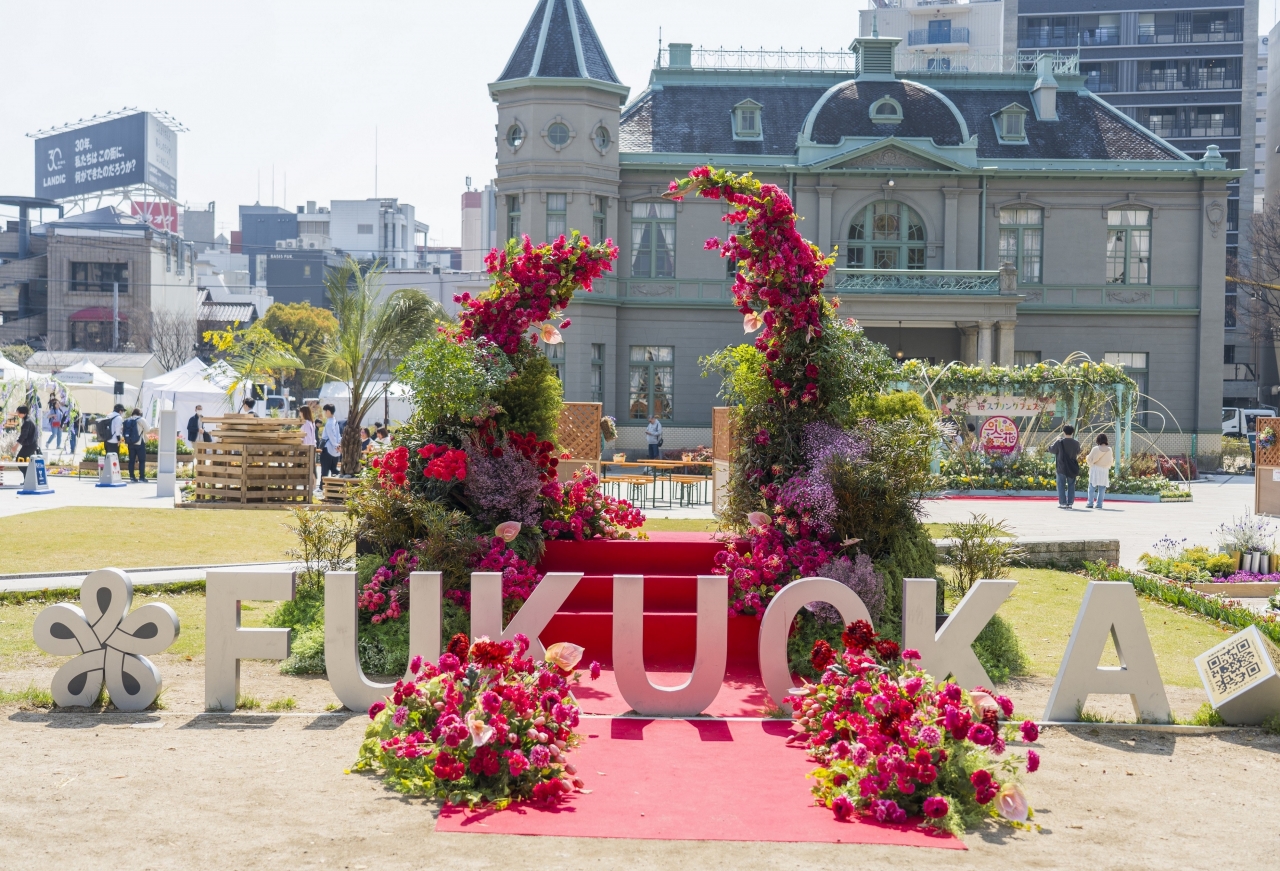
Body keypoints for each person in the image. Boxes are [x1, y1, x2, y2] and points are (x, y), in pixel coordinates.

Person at [1048, 424, 1082, 509]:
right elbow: (1078, 452)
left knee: (1061, 485)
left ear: (1064, 432)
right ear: (1072, 432)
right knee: (1071, 485)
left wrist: (1056, 440)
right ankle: (1070, 503)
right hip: (1072, 467)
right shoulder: (1076, 443)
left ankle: (1062, 503)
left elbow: (1051, 449)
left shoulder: (1059, 442)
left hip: (1061, 467)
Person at [1085, 434, 1114, 509]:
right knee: (1102, 488)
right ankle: (1099, 504)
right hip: (1104, 470)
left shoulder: (1095, 449)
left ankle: (1090, 503)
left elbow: (1089, 459)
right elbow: (1110, 460)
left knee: (1092, 487)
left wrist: (1088, 459)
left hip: (1095, 469)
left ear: (1098, 440)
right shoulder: (1109, 449)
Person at [123, 407, 148, 483]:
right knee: (142, 460)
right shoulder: (141, 419)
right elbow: (148, 429)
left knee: (131, 460)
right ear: (140, 413)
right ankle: (141, 478)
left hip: (130, 443)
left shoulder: (127, 420)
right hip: (139, 442)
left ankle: (132, 477)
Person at [319, 403, 342, 479]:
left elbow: (331, 436)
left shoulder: (329, 423)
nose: (324, 413)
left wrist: (336, 445)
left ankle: (322, 485)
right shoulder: (335, 421)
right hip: (335, 451)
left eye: (325, 411)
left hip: (328, 449)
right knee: (333, 470)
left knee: (324, 471)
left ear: (328, 411)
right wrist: (338, 445)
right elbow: (338, 435)